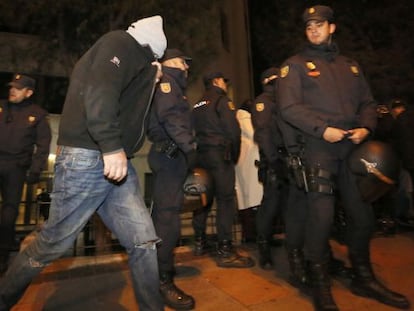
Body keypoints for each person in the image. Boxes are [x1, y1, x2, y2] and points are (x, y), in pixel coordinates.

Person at [0, 15, 167, 311]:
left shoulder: (139, 62)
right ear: (152, 47)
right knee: (52, 243)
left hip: (114, 163)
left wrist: (148, 81)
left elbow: (129, 111)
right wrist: (111, 145)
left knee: (143, 241)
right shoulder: (120, 43)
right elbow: (99, 91)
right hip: (91, 157)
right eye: (157, 58)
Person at [277, 5, 410, 310]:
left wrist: (367, 126)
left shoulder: (350, 65)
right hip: (319, 147)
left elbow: (367, 101)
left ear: (332, 27)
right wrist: (323, 129)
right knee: (321, 220)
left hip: (352, 149)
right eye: (309, 26)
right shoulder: (295, 66)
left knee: (363, 218)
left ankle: (364, 278)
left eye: (319, 25)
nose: (314, 30)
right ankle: (320, 285)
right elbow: (288, 107)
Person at [147, 48, 196, 310]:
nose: (185, 67)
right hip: (169, 157)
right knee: (167, 221)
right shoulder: (167, 83)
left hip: (170, 157)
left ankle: (158, 273)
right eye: (180, 61)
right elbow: (171, 118)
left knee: (166, 218)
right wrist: (191, 148)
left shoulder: (174, 85)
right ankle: (162, 281)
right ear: (167, 63)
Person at [191, 71, 255, 268]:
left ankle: (200, 242)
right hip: (220, 156)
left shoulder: (197, 104)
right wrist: (233, 155)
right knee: (226, 201)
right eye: (224, 81)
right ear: (217, 81)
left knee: (204, 199)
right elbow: (233, 131)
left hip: (201, 155)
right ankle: (225, 250)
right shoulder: (222, 101)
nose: (226, 85)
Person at [0, 74, 51, 275]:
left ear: (29, 93)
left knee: (10, 210)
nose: (13, 90)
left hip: (16, 167)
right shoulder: (2, 106)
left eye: (18, 88)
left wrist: (36, 168)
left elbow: (43, 145)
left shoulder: (37, 114)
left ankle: (3, 253)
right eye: (12, 87)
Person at [250, 67, 286, 269]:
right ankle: (263, 248)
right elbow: (263, 134)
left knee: (288, 205)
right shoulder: (263, 102)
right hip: (274, 161)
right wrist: (274, 160)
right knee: (270, 206)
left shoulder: (282, 101)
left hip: (286, 159)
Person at [234, 99, 262, 244]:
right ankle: (253, 236)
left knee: (245, 203)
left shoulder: (237, 119)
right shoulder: (246, 119)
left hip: (242, 166)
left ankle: (248, 235)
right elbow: (256, 137)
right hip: (252, 166)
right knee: (254, 202)